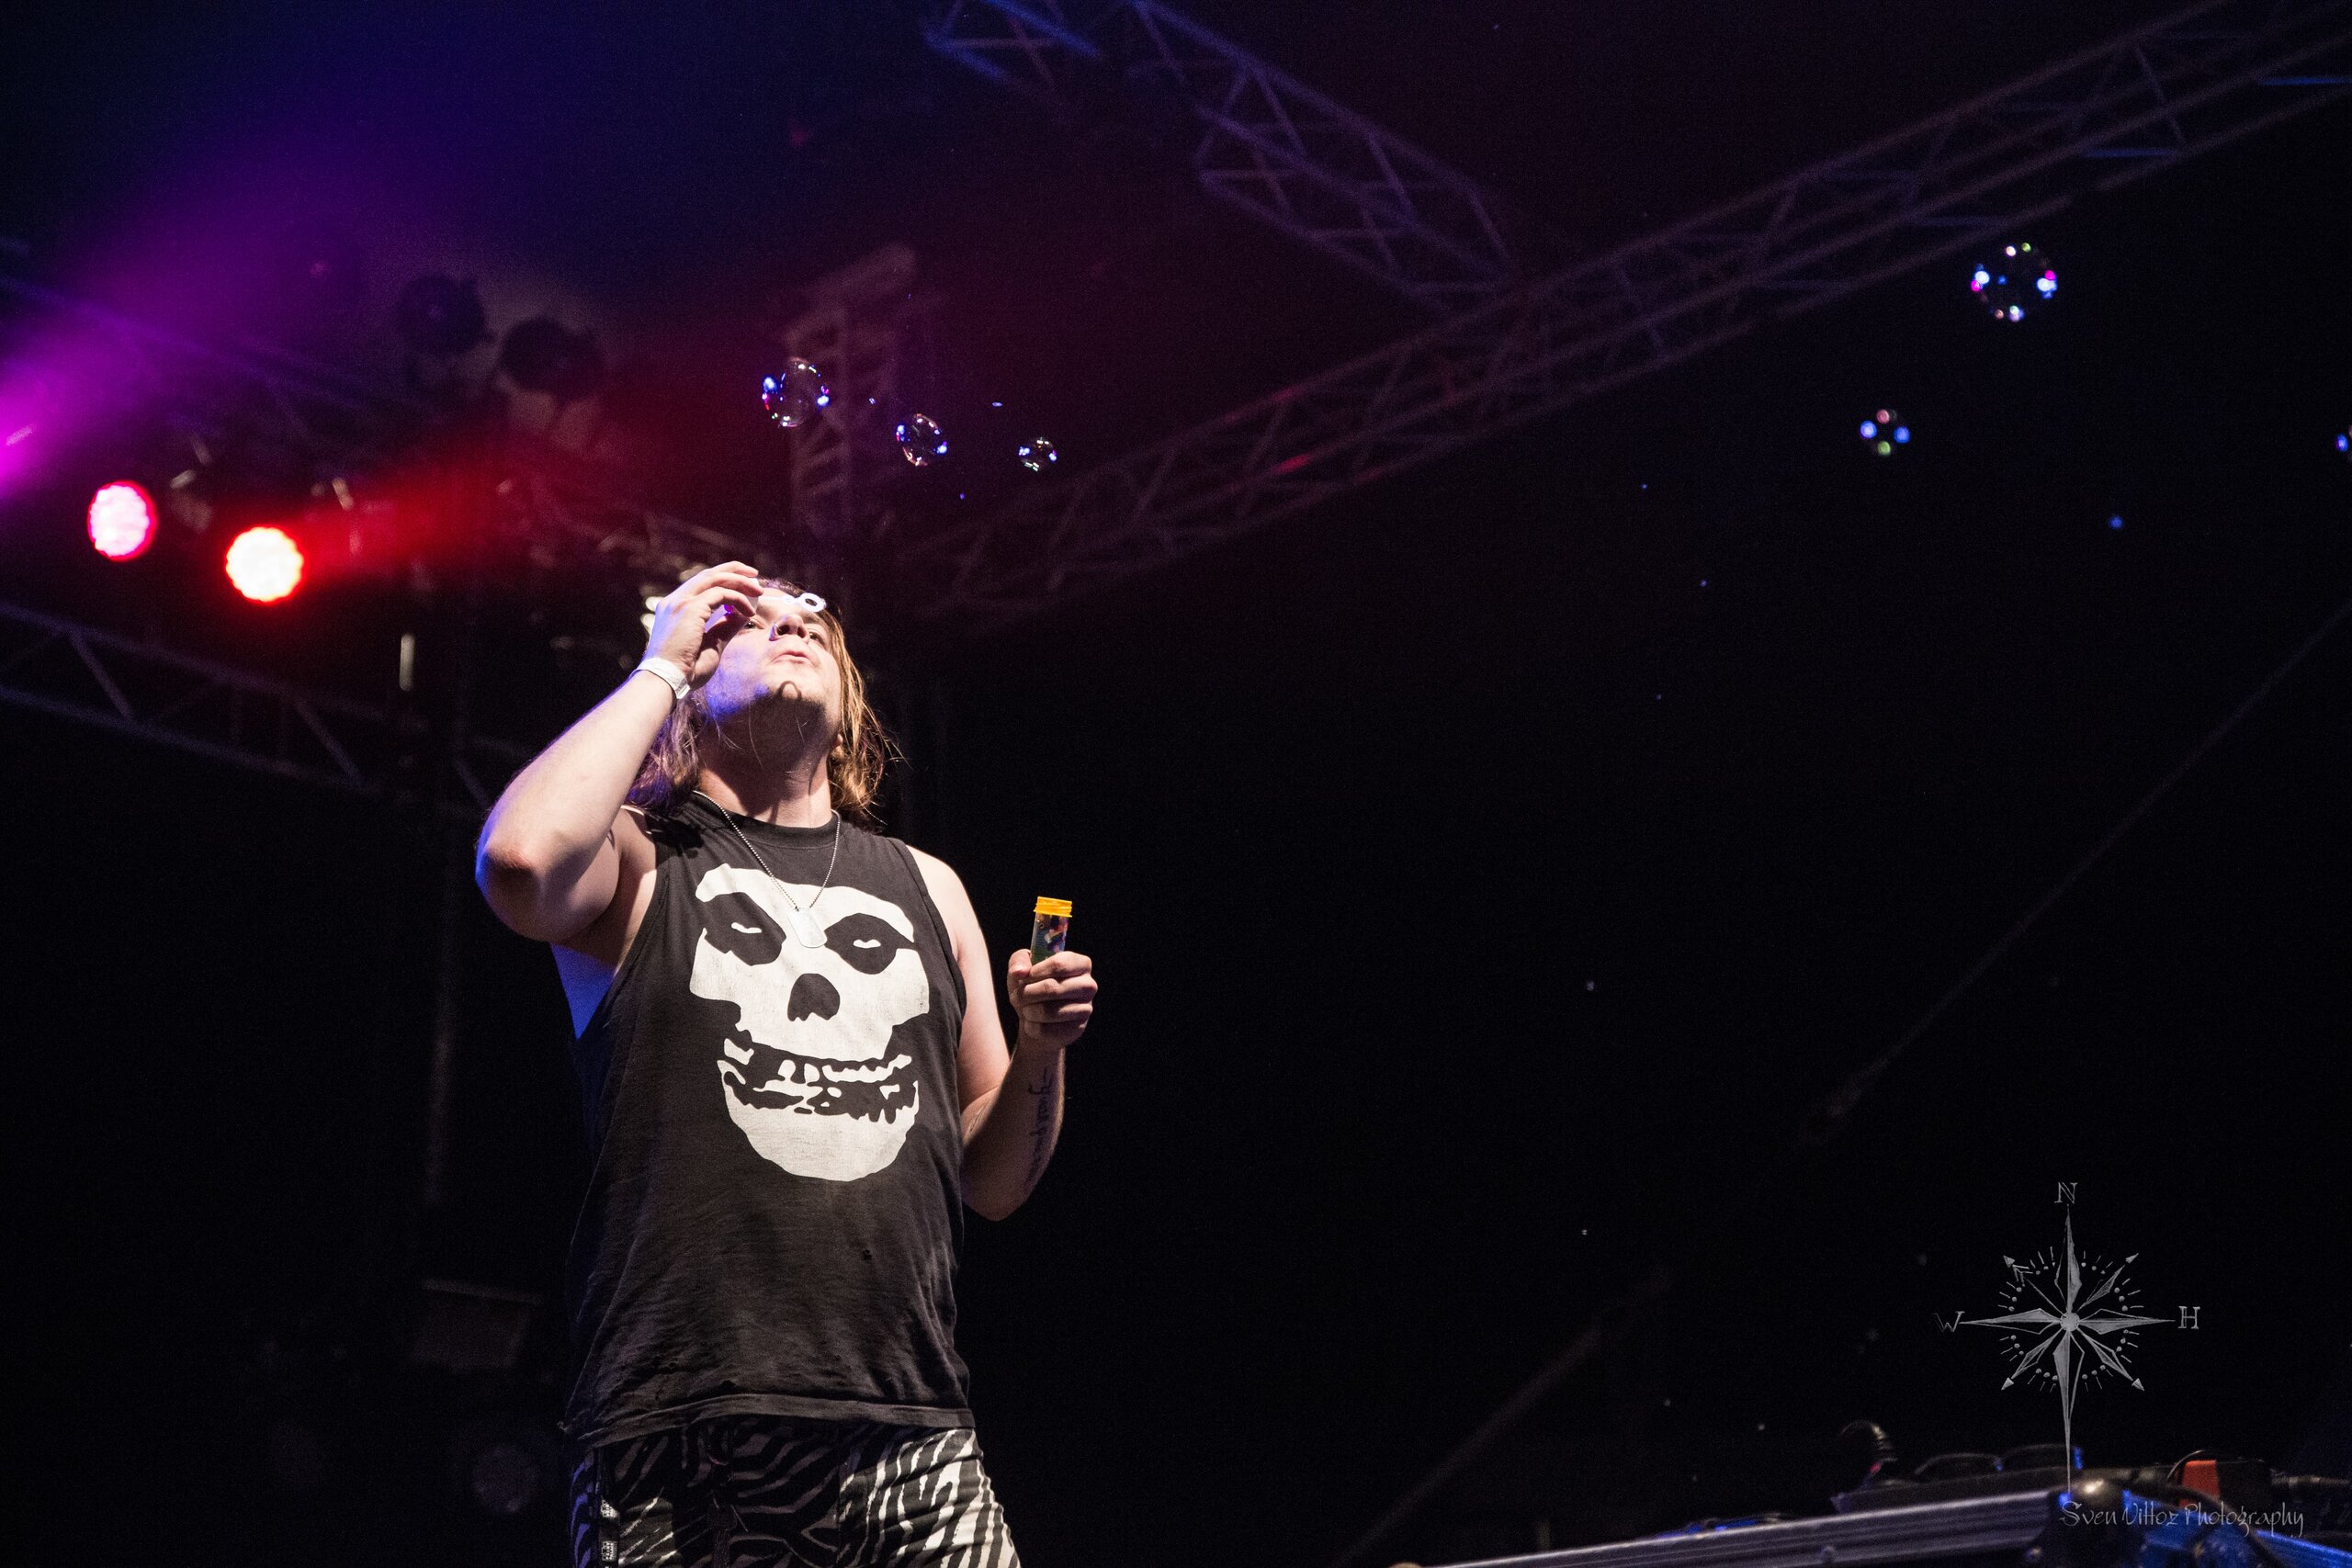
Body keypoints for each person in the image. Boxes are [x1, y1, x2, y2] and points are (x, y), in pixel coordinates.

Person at [475, 562, 1096, 1567]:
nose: (792, 622)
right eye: (747, 623)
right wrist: (660, 665)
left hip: (909, 1425)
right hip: (677, 1427)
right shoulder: (641, 857)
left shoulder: (929, 887)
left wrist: (1040, 1051)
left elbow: (992, 1183)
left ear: (849, 718)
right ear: (694, 690)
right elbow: (520, 863)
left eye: (812, 620)